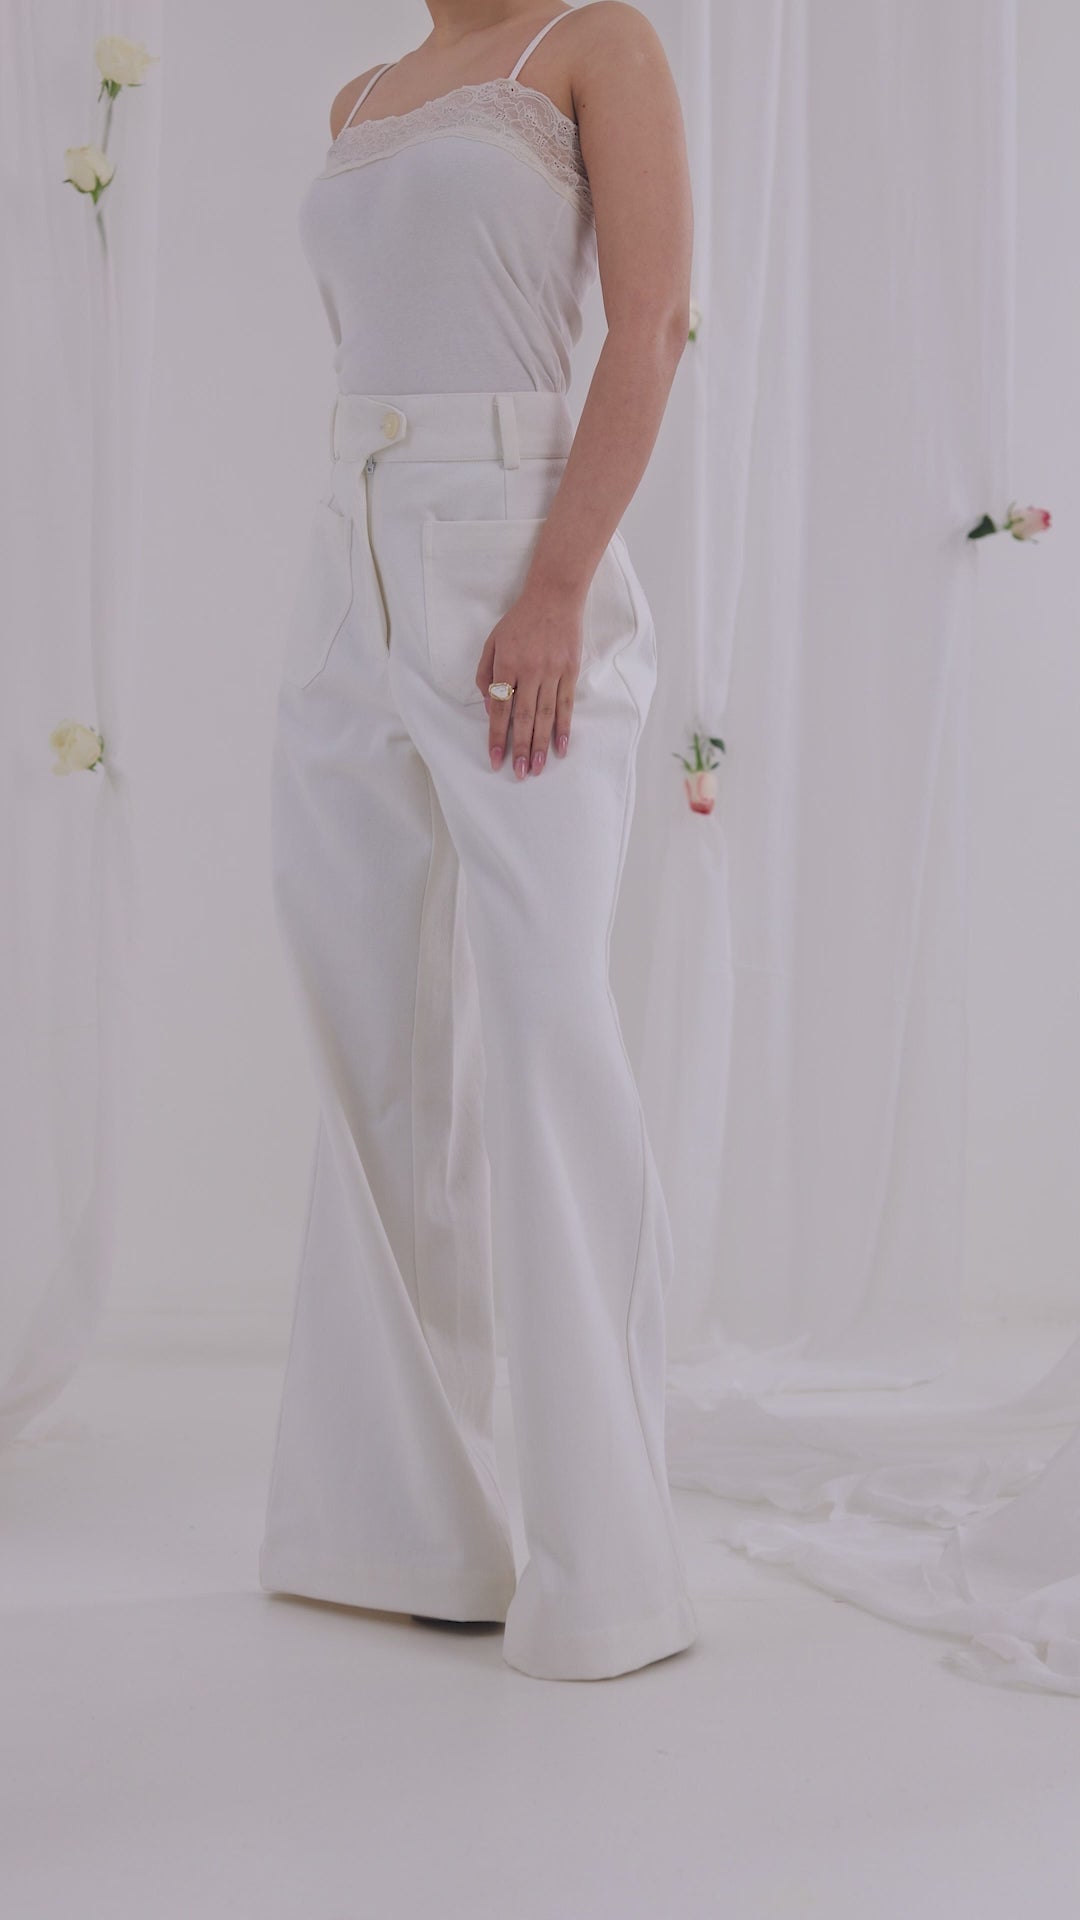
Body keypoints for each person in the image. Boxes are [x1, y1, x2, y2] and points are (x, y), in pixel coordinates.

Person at [258, 0, 697, 1681]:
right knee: (368, 1032)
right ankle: (403, 1529)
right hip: (351, 554)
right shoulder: (363, 93)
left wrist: (559, 585)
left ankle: (611, 1573)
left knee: (542, 1030)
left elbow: (650, 324)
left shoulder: (591, 43)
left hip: (514, 540)